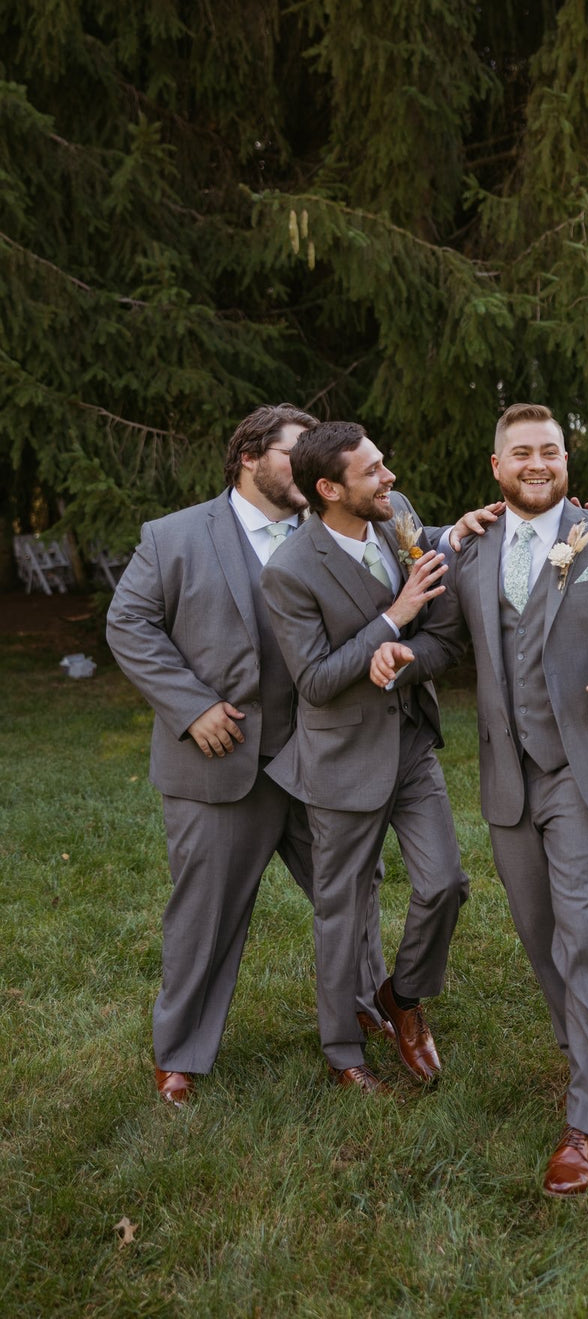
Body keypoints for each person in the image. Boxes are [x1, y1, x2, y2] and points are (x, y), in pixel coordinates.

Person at [370, 403, 588, 1195]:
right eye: (523, 453)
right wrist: (399, 656)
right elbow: (446, 639)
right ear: (497, 467)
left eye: (551, 451)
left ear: (566, 460)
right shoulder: (468, 547)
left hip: (586, 766)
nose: (538, 463)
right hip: (507, 771)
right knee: (541, 934)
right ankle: (587, 1057)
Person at [107, 402, 389, 1107]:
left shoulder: (331, 527)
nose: (312, 466)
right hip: (220, 757)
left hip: (320, 755)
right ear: (249, 458)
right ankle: (180, 1053)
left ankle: (363, 1015)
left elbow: (409, 541)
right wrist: (190, 707)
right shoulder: (173, 537)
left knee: (352, 893)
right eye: (296, 452)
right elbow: (129, 623)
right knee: (203, 914)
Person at [259, 421, 474, 1095]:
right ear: (329, 489)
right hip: (342, 757)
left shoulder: (397, 516)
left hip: (410, 743)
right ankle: (342, 1050)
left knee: (446, 883)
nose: (390, 478)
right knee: (342, 910)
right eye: (373, 470)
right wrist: (392, 619)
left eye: (384, 463)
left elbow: (441, 631)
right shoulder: (289, 571)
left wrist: (404, 656)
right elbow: (315, 680)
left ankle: (401, 996)